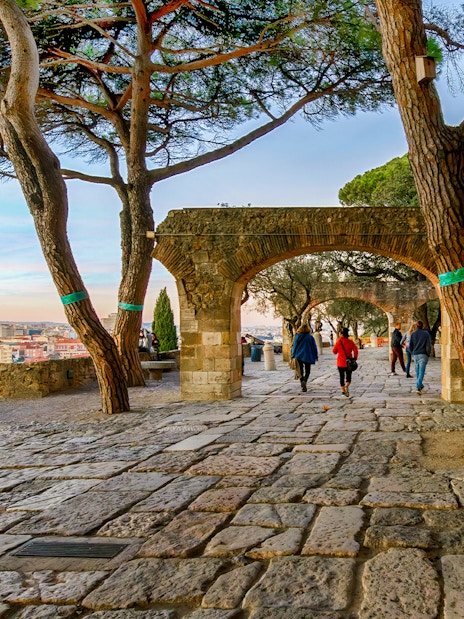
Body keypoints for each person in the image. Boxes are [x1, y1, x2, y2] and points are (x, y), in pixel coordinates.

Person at [291, 324, 318, 392]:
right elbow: (314, 347)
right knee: (307, 370)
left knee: (300, 371)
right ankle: (305, 380)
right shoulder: (310, 337)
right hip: (308, 355)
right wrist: (316, 355)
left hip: (299, 355)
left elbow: (295, 346)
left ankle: (302, 382)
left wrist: (293, 355)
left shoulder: (297, 336)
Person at [333, 327, 358, 397]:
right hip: (349, 363)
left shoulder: (338, 342)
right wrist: (354, 358)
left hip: (340, 362)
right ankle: (347, 385)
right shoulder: (351, 342)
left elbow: (334, 352)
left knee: (341, 377)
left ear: (341, 334)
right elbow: (355, 350)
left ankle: (343, 391)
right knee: (348, 376)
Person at [409, 320, 431, 394]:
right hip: (423, 354)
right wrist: (428, 354)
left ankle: (420, 384)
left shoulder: (413, 334)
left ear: (416, 326)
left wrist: (412, 352)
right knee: (421, 371)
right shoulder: (426, 333)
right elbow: (428, 345)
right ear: (422, 326)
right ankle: (418, 385)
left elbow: (410, 345)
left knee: (418, 370)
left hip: (415, 354)